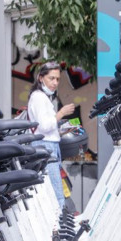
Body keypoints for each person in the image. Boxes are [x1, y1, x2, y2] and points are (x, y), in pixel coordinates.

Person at [26, 62, 77, 210]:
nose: (55, 83)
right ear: (41, 78)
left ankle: (58, 226)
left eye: (57, 79)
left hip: (48, 146)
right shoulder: (39, 98)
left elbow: (45, 127)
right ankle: (59, 227)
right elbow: (45, 126)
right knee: (56, 193)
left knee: (55, 190)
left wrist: (60, 130)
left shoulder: (41, 97)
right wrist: (61, 113)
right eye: (51, 78)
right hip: (46, 147)